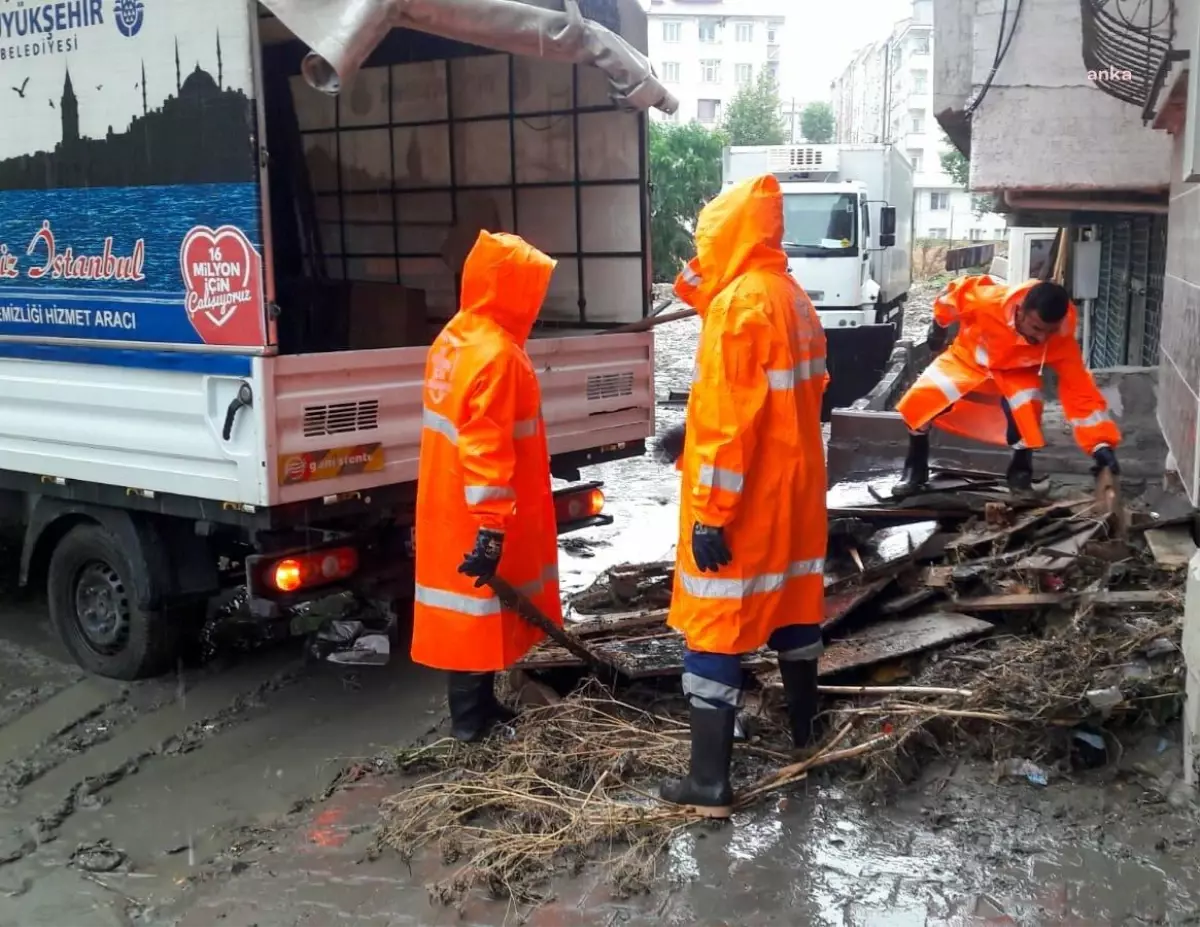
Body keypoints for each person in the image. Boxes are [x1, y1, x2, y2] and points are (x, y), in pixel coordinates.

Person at [656, 174, 830, 819]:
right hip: (796, 489)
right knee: (792, 612)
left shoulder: (738, 308)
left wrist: (710, 512)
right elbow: (790, 399)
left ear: (727, 236)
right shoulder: (791, 297)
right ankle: (806, 736)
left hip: (747, 498)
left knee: (715, 626)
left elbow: (731, 425)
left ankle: (708, 783)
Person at [410, 230, 562, 743]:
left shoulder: (455, 337)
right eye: (533, 288)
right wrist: (492, 529)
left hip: (450, 503)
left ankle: (479, 707)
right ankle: (470, 724)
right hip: (481, 509)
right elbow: (485, 449)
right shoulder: (497, 356)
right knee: (477, 613)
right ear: (513, 289)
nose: (539, 302)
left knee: (472, 616)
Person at [891, 275, 1121, 497]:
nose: (1041, 339)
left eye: (1049, 332)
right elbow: (951, 298)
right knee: (921, 400)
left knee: (1027, 409)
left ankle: (1020, 475)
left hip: (1017, 374)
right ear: (1020, 311)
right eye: (1036, 328)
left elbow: (1080, 391)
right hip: (967, 361)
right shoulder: (986, 301)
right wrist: (939, 326)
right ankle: (915, 469)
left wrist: (1100, 445)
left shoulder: (1061, 341)